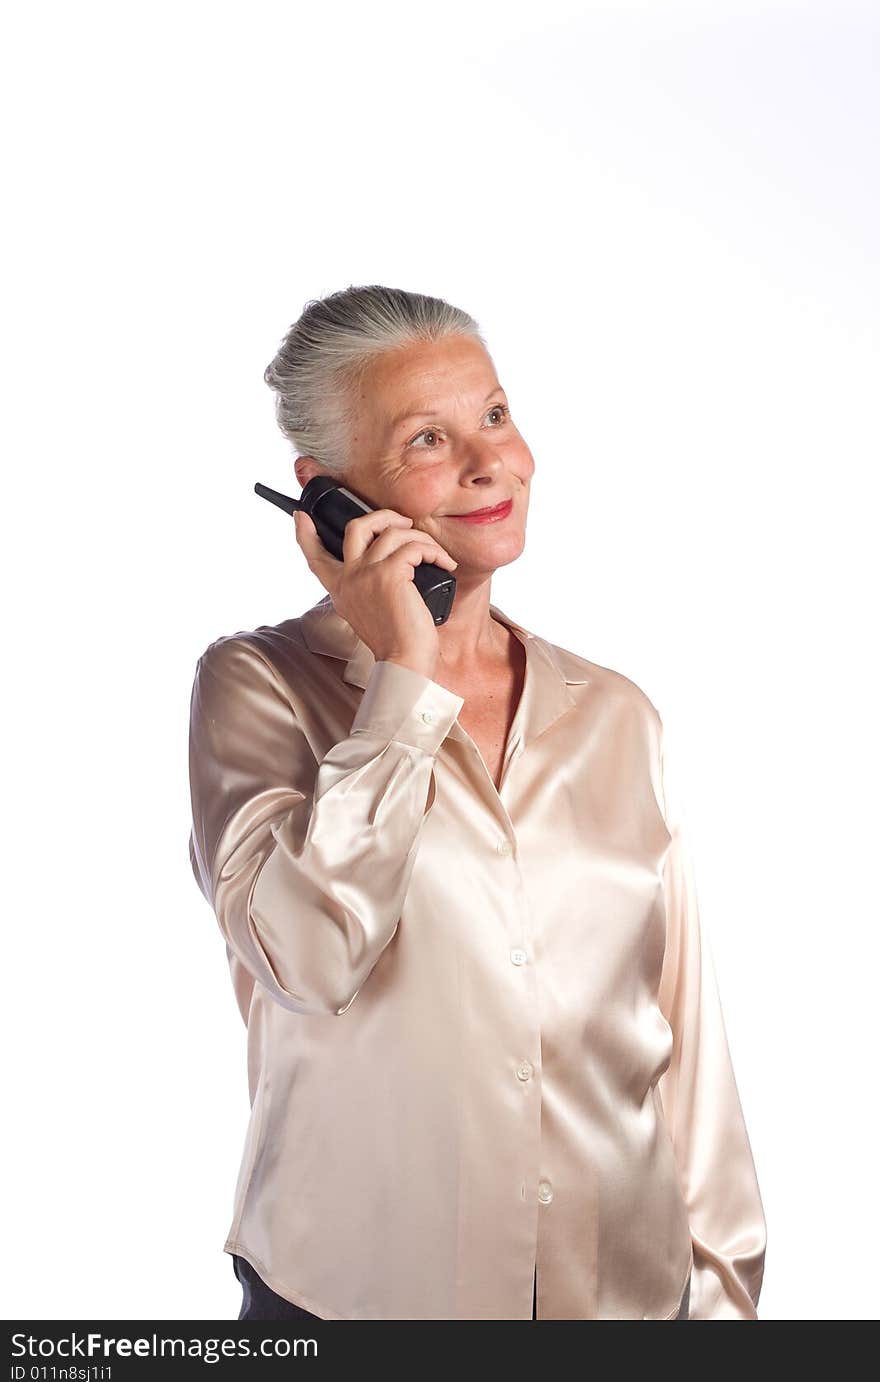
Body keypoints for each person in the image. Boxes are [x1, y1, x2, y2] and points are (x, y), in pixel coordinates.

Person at [187, 284, 766, 1320]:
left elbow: (683, 1038)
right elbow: (311, 961)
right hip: (351, 1305)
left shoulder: (615, 714)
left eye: (494, 416)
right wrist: (407, 675)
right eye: (427, 439)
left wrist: (723, 1299)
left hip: (628, 1306)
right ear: (329, 498)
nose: (489, 461)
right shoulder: (257, 688)